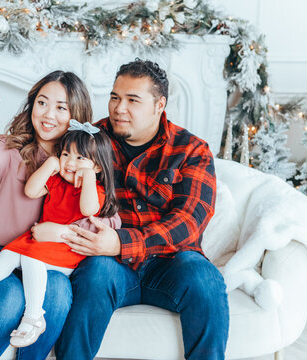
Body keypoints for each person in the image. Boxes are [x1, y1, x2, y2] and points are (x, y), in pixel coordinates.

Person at [45, 59, 230, 359]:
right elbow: (40, 177)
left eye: (133, 100)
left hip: (170, 263)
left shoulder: (191, 150)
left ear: (159, 105)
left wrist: (120, 243)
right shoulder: (92, 139)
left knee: (206, 280)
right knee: (95, 274)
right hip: (110, 264)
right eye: (115, 97)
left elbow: (190, 222)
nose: (119, 108)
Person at [0, 70, 119, 360]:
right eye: (42, 102)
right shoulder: (7, 148)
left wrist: (63, 233)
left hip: (44, 260)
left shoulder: (85, 165)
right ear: (31, 105)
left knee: (59, 293)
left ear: (77, 115)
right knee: (10, 298)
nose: (49, 114)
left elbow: (105, 216)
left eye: (61, 107)